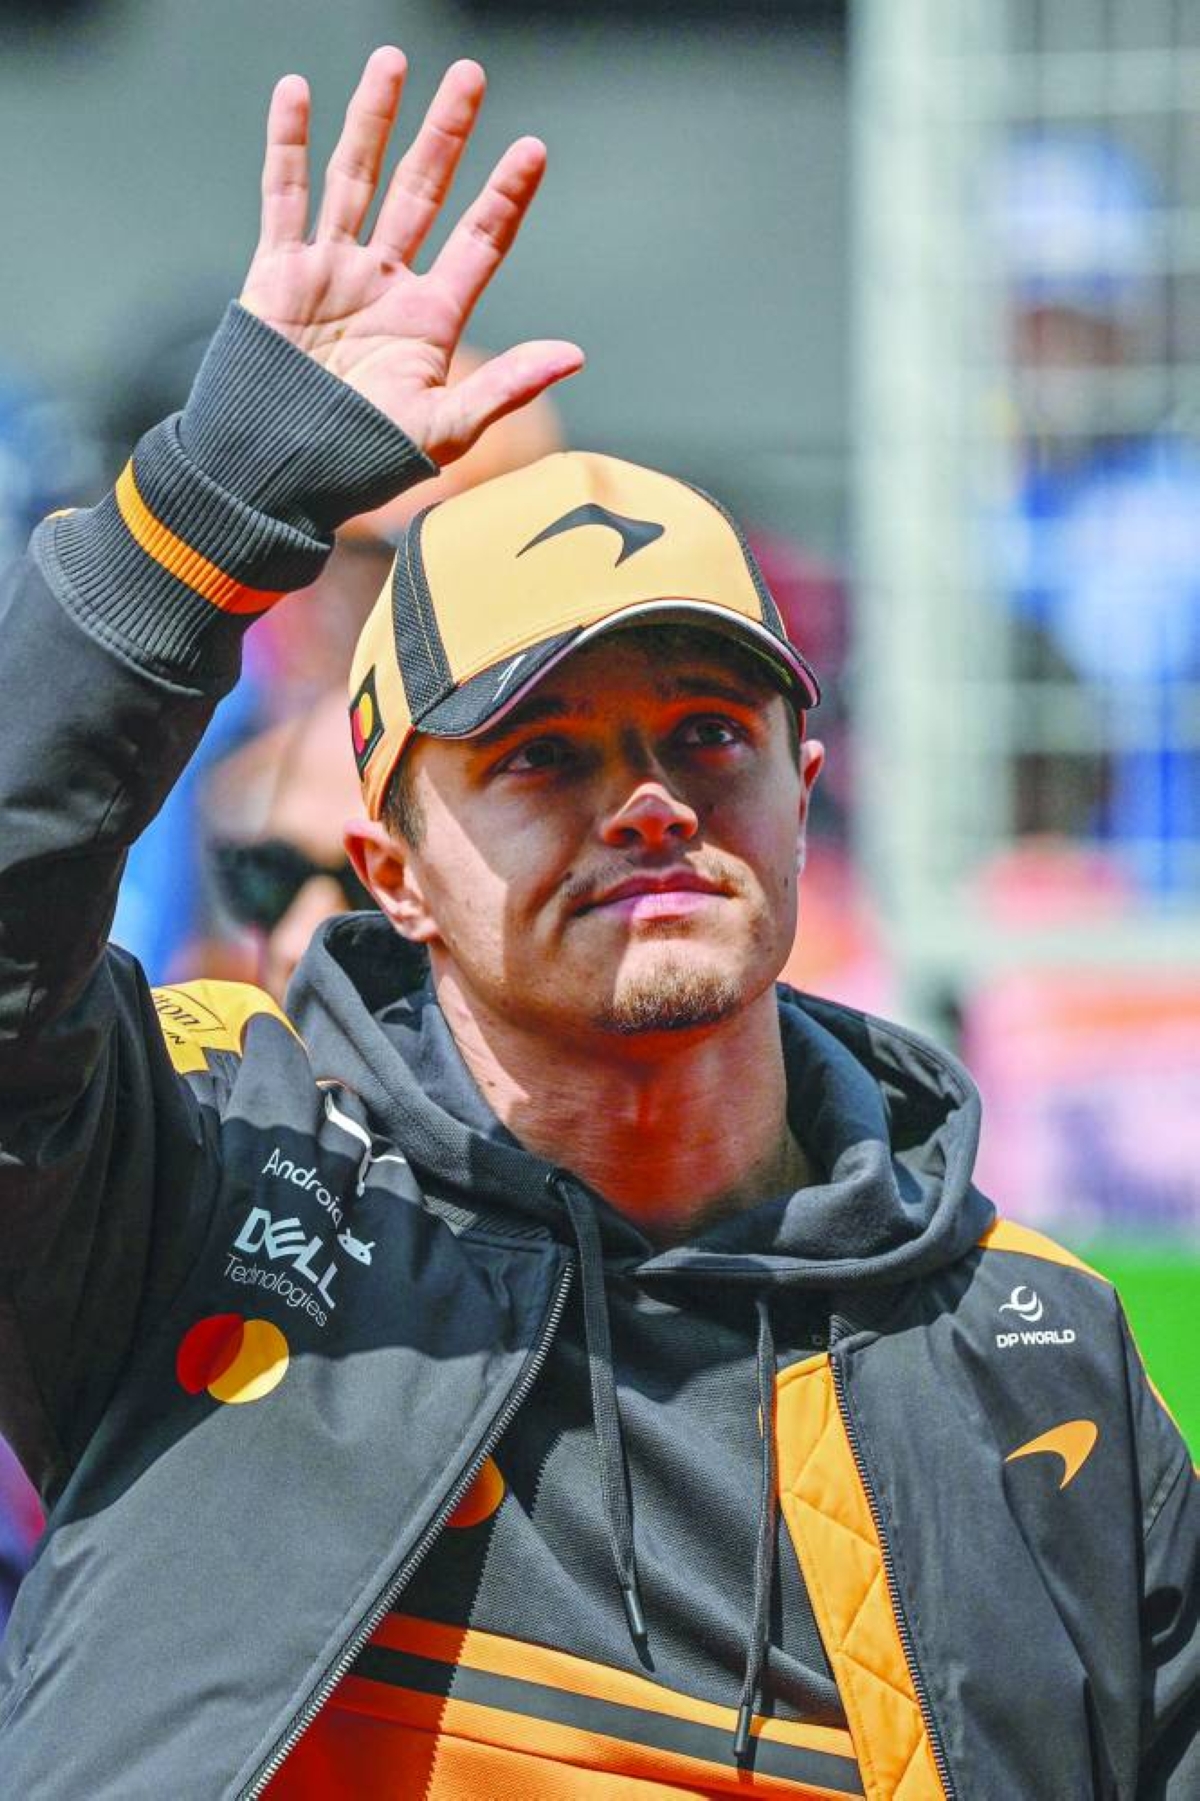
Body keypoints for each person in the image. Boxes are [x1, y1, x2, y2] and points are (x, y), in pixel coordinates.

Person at [0, 47, 1193, 1801]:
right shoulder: (213, 1170)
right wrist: (209, 502)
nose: (646, 799)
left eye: (707, 735)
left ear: (804, 786)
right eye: (542, 752)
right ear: (390, 870)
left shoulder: (1033, 1354)